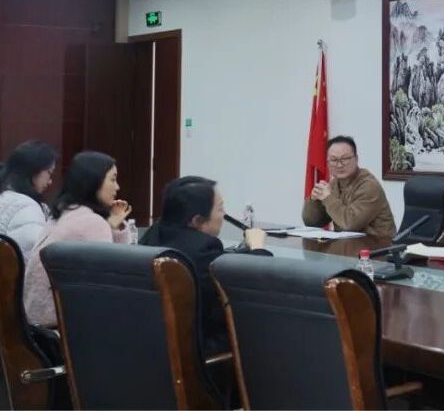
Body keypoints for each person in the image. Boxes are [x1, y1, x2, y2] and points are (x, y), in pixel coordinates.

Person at [140, 176, 268, 354]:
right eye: (220, 208)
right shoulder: (203, 249)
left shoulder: (151, 235)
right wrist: (258, 248)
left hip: (150, 345)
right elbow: (250, 283)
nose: (224, 214)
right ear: (197, 221)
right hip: (196, 349)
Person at [23, 151, 132, 327]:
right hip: (62, 325)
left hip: (36, 320)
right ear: (93, 181)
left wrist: (112, 226)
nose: (117, 187)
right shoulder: (91, 223)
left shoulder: (64, 213)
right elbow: (115, 279)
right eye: (112, 179)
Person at [302, 135, 396, 238]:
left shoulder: (369, 186)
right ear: (328, 163)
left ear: (356, 159)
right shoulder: (334, 184)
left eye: (345, 159)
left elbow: (350, 224)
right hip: (347, 245)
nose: (339, 165)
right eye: (334, 160)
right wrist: (314, 201)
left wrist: (328, 198)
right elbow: (313, 223)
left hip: (378, 245)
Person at [0, 140, 58, 261]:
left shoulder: (6, 196)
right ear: (33, 170)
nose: (50, 181)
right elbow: (32, 260)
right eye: (49, 172)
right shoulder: (26, 208)